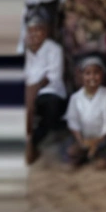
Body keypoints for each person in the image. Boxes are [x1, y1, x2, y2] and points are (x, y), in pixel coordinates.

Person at [24, 15, 66, 165]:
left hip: (49, 91)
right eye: (31, 30)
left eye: (38, 30)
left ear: (46, 31)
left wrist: (34, 89)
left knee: (51, 106)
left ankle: (32, 142)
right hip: (29, 91)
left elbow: (52, 76)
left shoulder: (54, 49)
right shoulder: (26, 49)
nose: (34, 34)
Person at [62, 56, 106, 170]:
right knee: (71, 151)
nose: (92, 77)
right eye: (87, 73)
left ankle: (95, 154)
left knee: (102, 163)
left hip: (102, 138)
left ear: (102, 75)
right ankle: (86, 154)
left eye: (96, 73)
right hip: (83, 138)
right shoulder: (75, 98)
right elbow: (73, 121)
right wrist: (81, 141)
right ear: (81, 76)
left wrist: (96, 142)